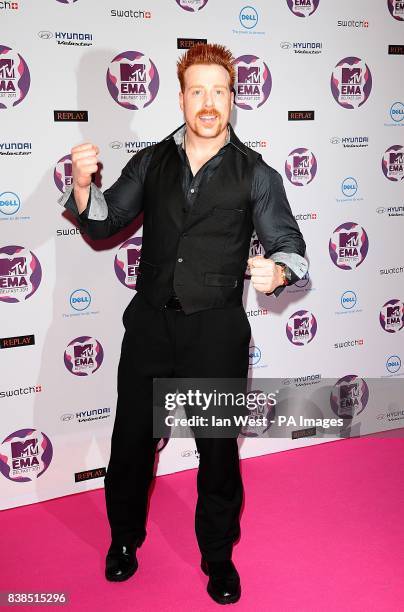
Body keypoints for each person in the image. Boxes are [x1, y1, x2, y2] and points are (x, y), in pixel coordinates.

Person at [59, 43, 307, 605]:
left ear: (233, 100)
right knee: (129, 446)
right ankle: (123, 541)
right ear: (181, 98)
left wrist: (279, 270)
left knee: (218, 452)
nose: (209, 102)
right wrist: (80, 186)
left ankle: (217, 557)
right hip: (149, 329)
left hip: (215, 335)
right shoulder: (151, 161)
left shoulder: (257, 174)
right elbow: (104, 223)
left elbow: (290, 244)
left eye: (219, 91)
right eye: (198, 90)